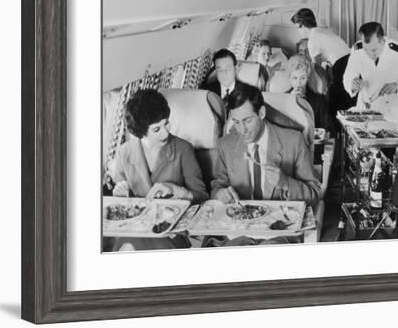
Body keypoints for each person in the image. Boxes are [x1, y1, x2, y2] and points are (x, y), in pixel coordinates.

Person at [210, 84, 321, 246]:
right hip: (237, 230)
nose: (242, 130)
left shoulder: (293, 141)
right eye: (236, 122)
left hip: (279, 230)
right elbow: (217, 187)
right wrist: (220, 194)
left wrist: (285, 183)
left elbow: (315, 193)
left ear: (261, 113)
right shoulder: (225, 145)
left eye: (247, 121)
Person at [109, 89, 208, 250]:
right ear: (141, 132)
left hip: (170, 230)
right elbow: (121, 200)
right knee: (127, 246)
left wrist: (175, 190)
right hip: (136, 229)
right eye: (157, 129)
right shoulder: (123, 153)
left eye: (166, 123)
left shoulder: (183, 149)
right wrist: (120, 193)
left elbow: (202, 196)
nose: (166, 131)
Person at [343, 21, 398, 126]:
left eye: (374, 50)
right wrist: (352, 83)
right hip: (364, 112)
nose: (369, 55)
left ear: (382, 41)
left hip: (389, 115)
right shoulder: (357, 49)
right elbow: (348, 75)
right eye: (366, 50)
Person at [286, 54, 330, 131]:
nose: (298, 83)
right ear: (289, 78)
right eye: (295, 78)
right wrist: (290, 102)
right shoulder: (283, 100)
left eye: (303, 78)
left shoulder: (319, 100)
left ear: (308, 78)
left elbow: (328, 129)